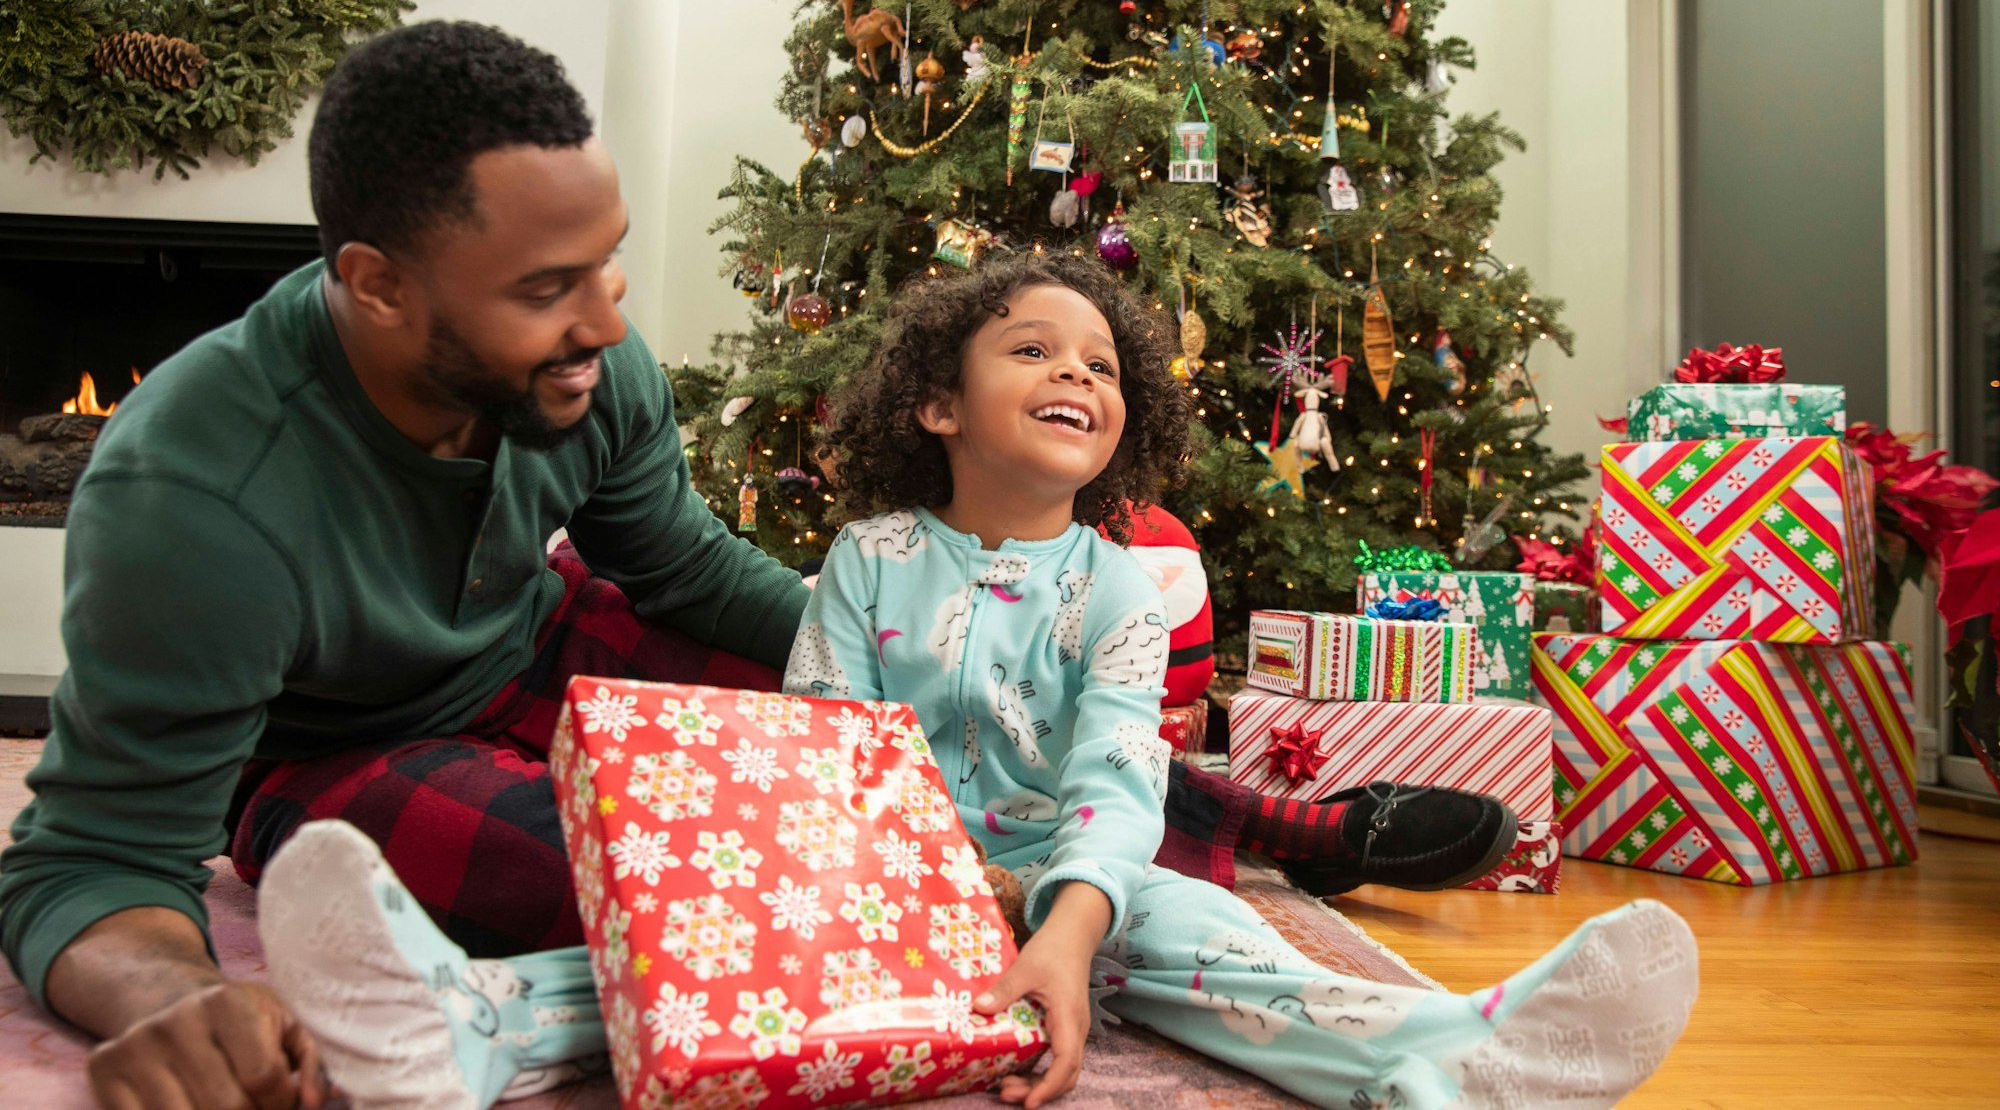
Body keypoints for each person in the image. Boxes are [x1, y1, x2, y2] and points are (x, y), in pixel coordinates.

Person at [1, 20, 1515, 1110]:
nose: (606, 321)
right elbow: (90, 859)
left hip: (547, 644)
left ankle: (1293, 826)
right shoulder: (198, 492)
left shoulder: (585, 367)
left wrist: (917, 655)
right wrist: (177, 996)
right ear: (377, 289)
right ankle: (1011, 894)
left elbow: (676, 567)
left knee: (949, 715)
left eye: (608, 260)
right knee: (690, 877)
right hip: (347, 742)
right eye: (547, 289)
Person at [254, 254, 1697, 1110]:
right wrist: (876, 893)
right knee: (726, 960)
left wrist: (1065, 924)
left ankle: (1448, 1051)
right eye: (1034, 349)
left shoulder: (1121, 589)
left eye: (1102, 363)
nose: (1080, 371)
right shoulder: (869, 564)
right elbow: (824, 757)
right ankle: (471, 1025)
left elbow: (1120, 781)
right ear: (940, 403)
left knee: (1214, 939)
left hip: (1068, 882)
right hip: (875, 881)